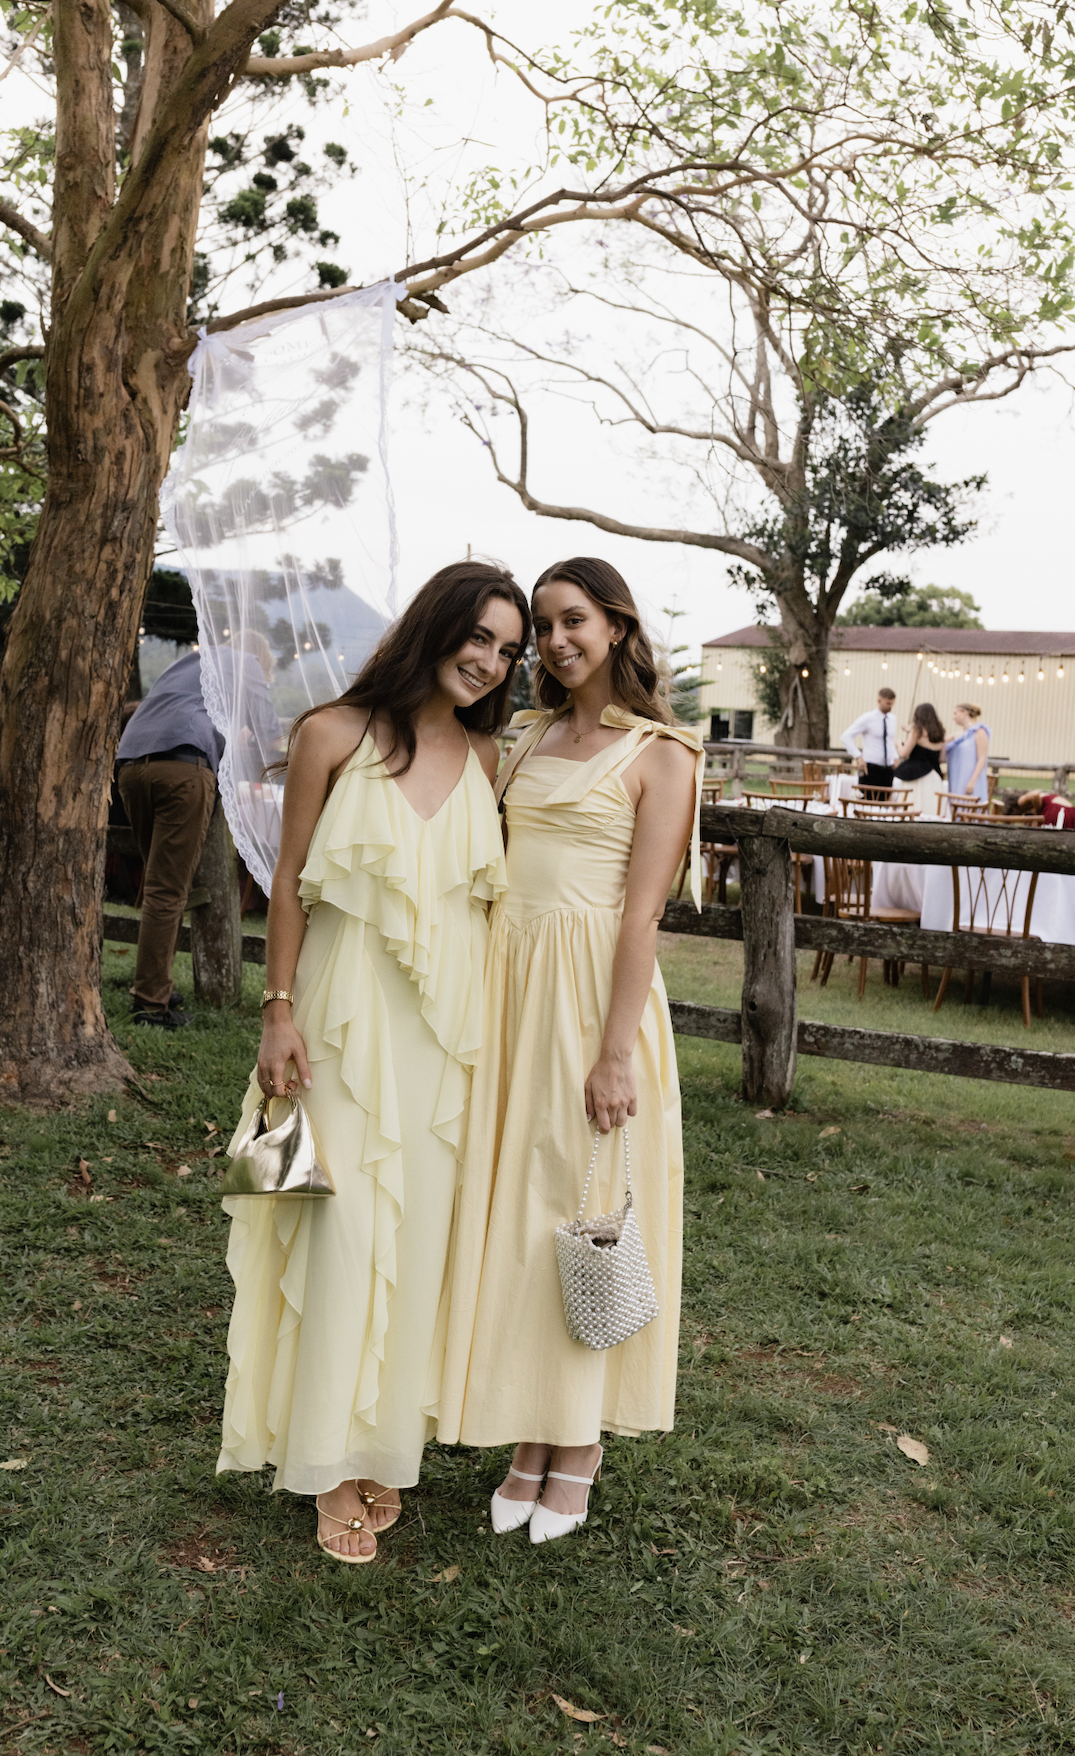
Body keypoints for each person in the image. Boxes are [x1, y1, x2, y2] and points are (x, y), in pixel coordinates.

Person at [216, 562, 529, 1565]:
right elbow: (292, 888)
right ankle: (323, 1464)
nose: (489, 662)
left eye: (508, 651)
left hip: (445, 1037)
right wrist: (276, 1014)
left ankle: (386, 1446)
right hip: (339, 1023)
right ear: (436, 626)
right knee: (338, 1236)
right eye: (478, 636)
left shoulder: (486, 760)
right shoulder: (331, 734)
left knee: (420, 1241)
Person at [437, 557, 702, 1546]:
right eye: (541, 625)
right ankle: (527, 1429)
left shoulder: (662, 753)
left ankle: (578, 1439)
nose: (553, 640)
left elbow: (642, 913)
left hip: (594, 995)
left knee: (583, 1199)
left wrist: (615, 1051)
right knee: (513, 1205)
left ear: (618, 626)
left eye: (572, 620)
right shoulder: (523, 738)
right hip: (508, 985)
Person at [116, 636, 279, 1027]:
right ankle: (150, 1004)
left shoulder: (192, 661)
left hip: (131, 764)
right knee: (167, 890)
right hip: (183, 767)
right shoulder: (248, 664)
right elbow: (270, 734)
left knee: (159, 886)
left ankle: (156, 982)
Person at [891, 701, 946, 813]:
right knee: (930, 809)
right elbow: (942, 758)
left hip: (915, 776)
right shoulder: (941, 732)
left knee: (912, 809)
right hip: (934, 776)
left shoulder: (917, 730)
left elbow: (904, 753)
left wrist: (898, 744)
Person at [841, 688, 897, 793]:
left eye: (892, 704)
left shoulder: (893, 719)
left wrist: (895, 756)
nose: (890, 707)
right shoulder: (868, 718)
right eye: (888, 703)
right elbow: (846, 736)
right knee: (866, 801)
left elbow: (889, 740)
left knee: (884, 805)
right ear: (879, 701)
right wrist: (858, 756)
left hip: (888, 769)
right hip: (871, 767)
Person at [946, 703, 991, 803]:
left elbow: (982, 758)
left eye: (955, 713)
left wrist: (972, 781)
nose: (953, 717)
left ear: (964, 712)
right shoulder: (958, 735)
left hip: (970, 777)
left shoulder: (979, 731)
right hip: (957, 776)